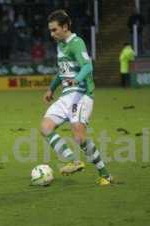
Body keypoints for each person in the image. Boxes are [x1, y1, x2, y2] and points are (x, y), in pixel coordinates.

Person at [40, 10, 113, 186]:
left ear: (65, 27)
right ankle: (72, 160)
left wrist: (77, 79)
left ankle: (105, 174)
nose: (52, 34)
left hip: (81, 95)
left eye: (55, 30)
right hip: (66, 96)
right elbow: (62, 72)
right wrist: (51, 88)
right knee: (45, 127)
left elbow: (88, 67)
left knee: (80, 138)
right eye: (50, 30)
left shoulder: (76, 43)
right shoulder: (61, 45)